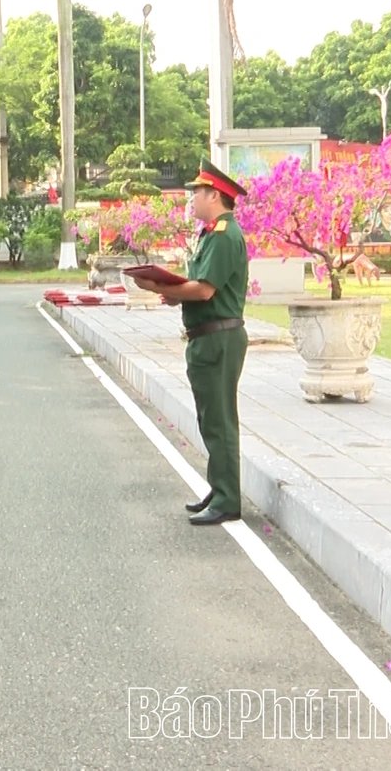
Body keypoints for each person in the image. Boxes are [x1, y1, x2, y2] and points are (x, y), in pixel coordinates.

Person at [128, 160, 249, 526]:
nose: (191, 198)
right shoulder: (212, 234)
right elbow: (198, 289)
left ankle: (228, 498)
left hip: (219, 337)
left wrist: (161, 287)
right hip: (208, 337)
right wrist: (175, 293)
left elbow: (205, 289)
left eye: (196, 192)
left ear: (214, 195)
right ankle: (220, 487)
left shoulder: (225, 235)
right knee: (210, 418)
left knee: (219, 421)